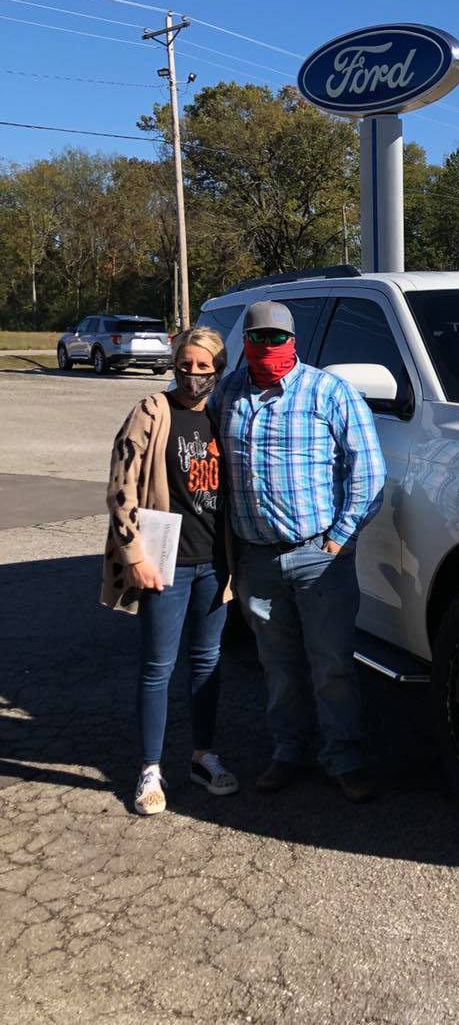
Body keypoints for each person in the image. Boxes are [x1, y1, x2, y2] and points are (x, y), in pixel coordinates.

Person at [210, 301, 387, 802]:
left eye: (277, 338)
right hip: (257, 560)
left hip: (319, 557)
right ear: (245, 341)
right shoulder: (227, 393)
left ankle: (344, 758)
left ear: (293, 340)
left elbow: (368, 470)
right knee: (278, 666)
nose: (268, 347)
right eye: (258, 338)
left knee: (332, 666)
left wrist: (341, 536)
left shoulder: (329, 392)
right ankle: (288, 752)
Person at [102, 326, 238, 816]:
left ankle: (203, 757)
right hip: (165, 563)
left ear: (219, 370)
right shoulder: (152, 411)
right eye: (186, 364)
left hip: (215, 564)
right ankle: (150, 768)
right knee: (158, 667)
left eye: (204, 366)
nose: (193, 374)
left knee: (207, 661)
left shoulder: (224, 415)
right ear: (174, 363)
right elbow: (121, 488)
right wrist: (134, 556)